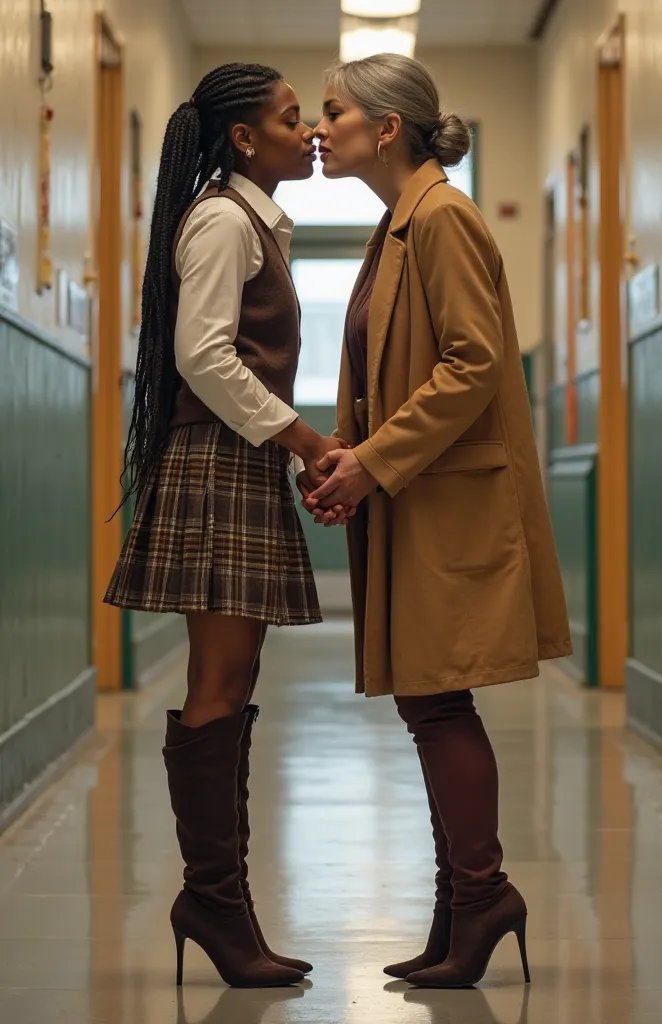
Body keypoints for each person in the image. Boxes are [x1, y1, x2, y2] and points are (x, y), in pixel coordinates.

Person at [300, 53, 572, 989]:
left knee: (436, 696)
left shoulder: (445, 217)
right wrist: (345, 451)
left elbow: (470, 363)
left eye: (331, 113)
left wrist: (371, 463)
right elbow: (384, 370)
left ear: (387, 128)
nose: (316, 128)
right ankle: (462, 904)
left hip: (449, 494)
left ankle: (483, 893)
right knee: (427, 696)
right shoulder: (396, 225)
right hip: (417, 490)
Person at [105, 63, 347, 988]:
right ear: (244, 139)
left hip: (235, 461)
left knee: (233, 678)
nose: (310, 133)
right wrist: (303, 438)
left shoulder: (252, 223)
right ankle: (213, 901)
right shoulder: (220, 222)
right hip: (217, 462)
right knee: (219, 679)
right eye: (294, 121)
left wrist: (290, 444)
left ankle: (220, 900)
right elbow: (202, 356)